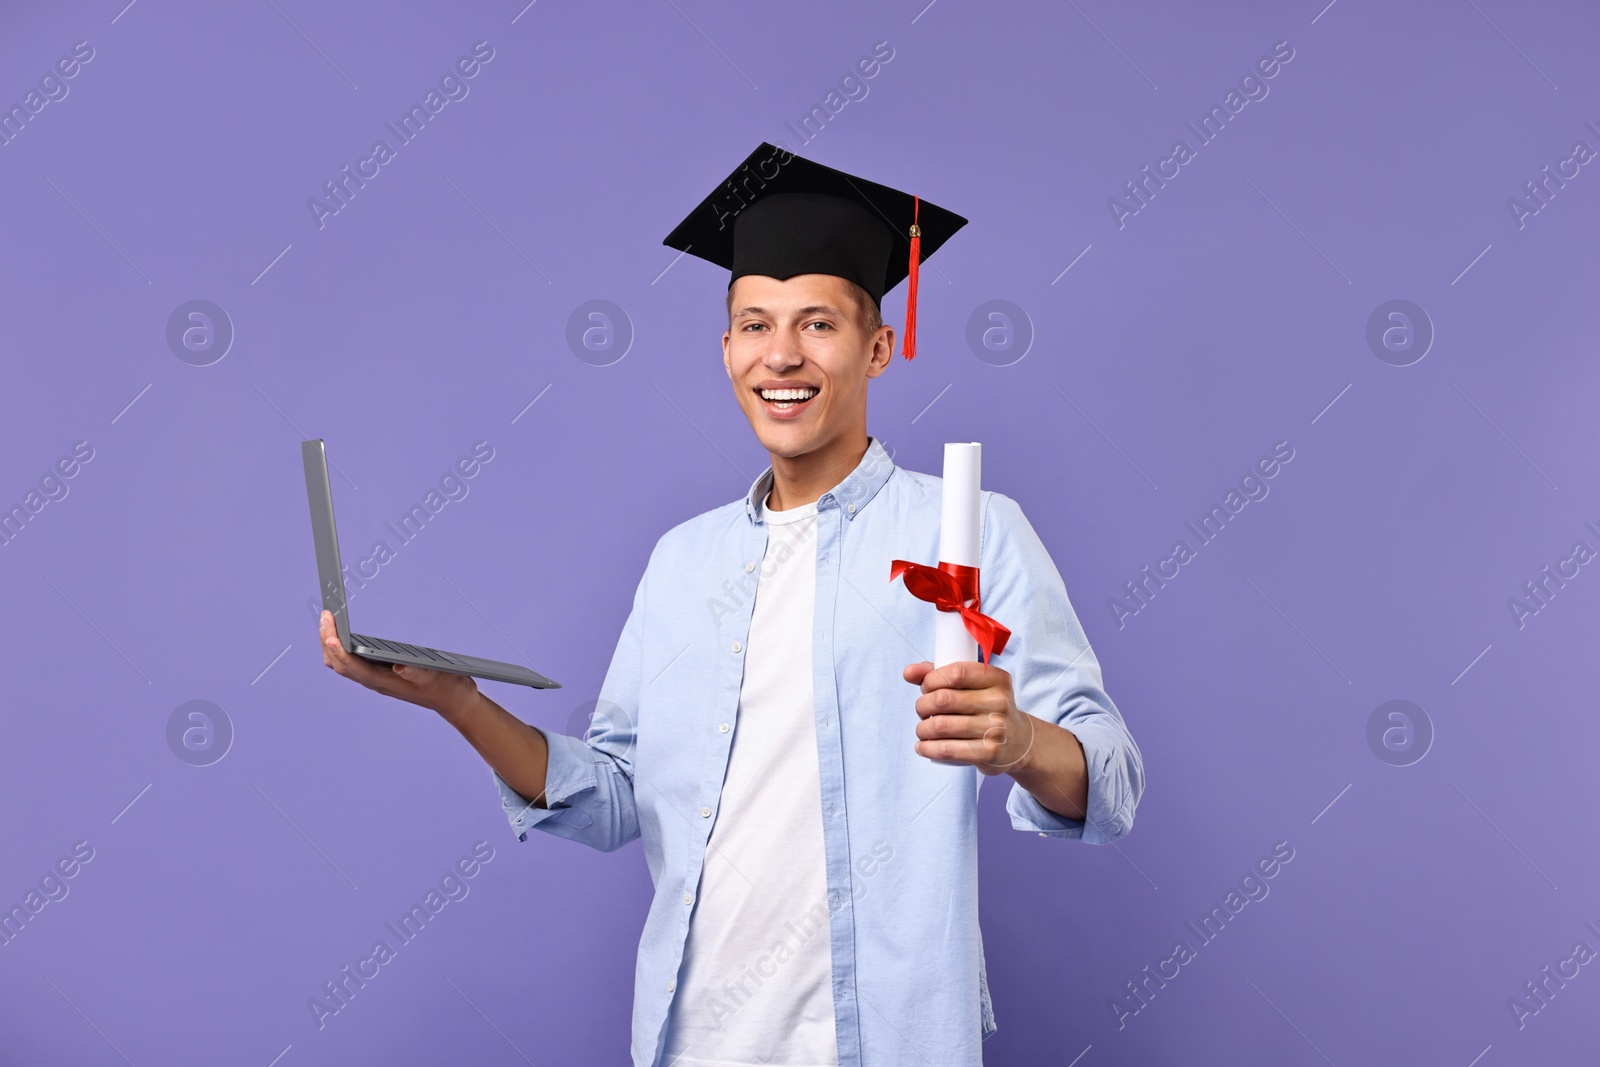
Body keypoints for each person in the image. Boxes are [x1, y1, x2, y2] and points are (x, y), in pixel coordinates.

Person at [318, 142, 1144, 1067]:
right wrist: (455, 699)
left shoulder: (971, 532)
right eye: (755, 324)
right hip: (693, 1040)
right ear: (726, 348)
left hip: (883, 1041)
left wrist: (1020, 739)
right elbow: (617, 797)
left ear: (877, 347)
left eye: (818, 325)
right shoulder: (683, 561)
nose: (781, 354)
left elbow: (1111, 780)